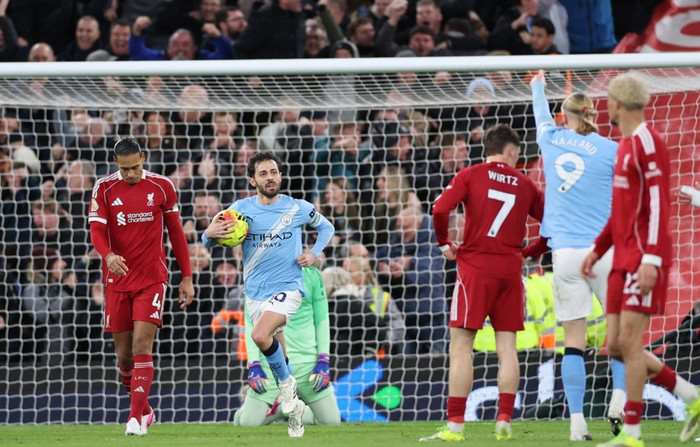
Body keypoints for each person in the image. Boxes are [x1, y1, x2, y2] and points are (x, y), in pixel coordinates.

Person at [581, 73, 700, 447]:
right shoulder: (625, 146)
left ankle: (632, 431)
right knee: (616, 346)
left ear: (616, 103)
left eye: (607, 100)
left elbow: (659, 204)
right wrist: (597, 250)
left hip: (643, 259)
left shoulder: (649, 142)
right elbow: (621, 211)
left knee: (631, 343)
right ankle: (691, 395)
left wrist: (651, 258)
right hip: (621, 259)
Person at [423, 124, 545, 442]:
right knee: (507, 349)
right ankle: (504, 419)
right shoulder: (526, 184)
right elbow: (552, 224)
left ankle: (455, 427)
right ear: (510, 151)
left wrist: (444, 245)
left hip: (475, 269)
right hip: (510, 272)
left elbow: (439, 208)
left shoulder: (470, 175)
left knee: (461, 347)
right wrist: (529, 253)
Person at [202, 151, 335, 438]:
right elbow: (208, 241)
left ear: (280, 176)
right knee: (276, 347)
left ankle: (287, 392)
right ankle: (294, 410)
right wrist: (208, 234)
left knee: (260, 335)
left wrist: (314, 253)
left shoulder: (297, 208)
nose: (270, 177)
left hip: (289, 287)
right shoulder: (239, 211)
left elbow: (326, 227)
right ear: (253, 180)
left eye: (274, 172)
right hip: (255, 293)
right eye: (263, 174)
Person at [529, 69, 626, 441]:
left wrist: (538, 87)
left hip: (566, 253)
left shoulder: (551, 138)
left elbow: (540, 115)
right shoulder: (612, 150)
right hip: (604, 251)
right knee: (620, 331)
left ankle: (576, 423)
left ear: (564, 115)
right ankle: (619, 399)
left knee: (573, 342)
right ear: (593, 114)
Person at [88, 137, 195, 436]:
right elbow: (96, 230)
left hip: (152, 279)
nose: (131, 174)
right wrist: (108, 256)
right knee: (124, 358)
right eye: (125, 169)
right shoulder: (103, 188)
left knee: (141, 347)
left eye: (135, 167)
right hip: (117, 280)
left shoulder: (162, 186)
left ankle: (134, 419)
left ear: (143, 158)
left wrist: (187, 277)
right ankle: (145, 410)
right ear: (115, 163)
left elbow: (176, 232)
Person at [234, 266, 341, 427]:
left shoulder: (312, 275)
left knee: (331, 422)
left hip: (307, 363)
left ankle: (287, 410)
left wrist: (323, 359)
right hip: (271, 363)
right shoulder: (258, 274)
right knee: (248, 424)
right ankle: (274, 406)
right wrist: (254, 363)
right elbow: (250, 322)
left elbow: (322, 319)